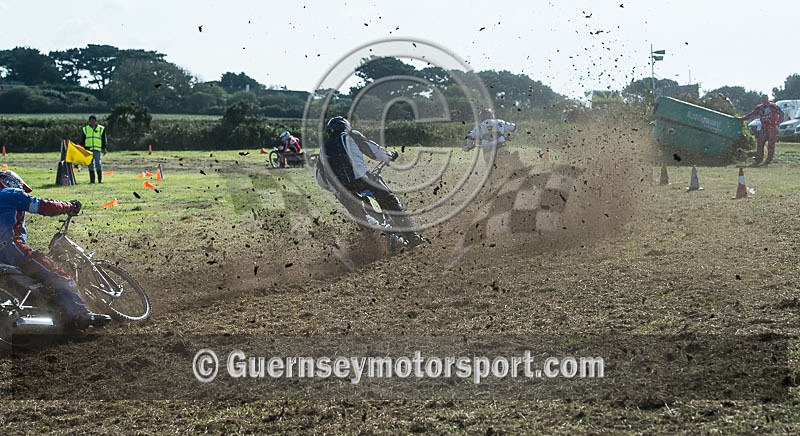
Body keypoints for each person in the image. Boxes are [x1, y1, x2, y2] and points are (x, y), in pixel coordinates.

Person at [0, 170, 111, 331]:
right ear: (10, 182)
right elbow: (44, 206)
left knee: (32, 279)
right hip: (13, 249)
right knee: (59, 275)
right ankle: (81, 315)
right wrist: (70, 206)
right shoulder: (11, 193)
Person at [316, 116, 426, 246]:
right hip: (363, 181)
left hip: (341, 192)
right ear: (345, 126)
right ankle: (412, 237)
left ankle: (373, 246)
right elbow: (376, 152)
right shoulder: (352, 135)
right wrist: (390, 155)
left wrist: (336, 187)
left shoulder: (322, 150)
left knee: (361, 219)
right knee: (391, 202)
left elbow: (321, 180)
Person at [740, 95, 784, 165]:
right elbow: (752, 114)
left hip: (771, 127)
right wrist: (743, 118)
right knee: (760, 142)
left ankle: (769, 159)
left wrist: (778, 122)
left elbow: (781, 113)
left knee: (771, 144)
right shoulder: (759, 107)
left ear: (768, 99)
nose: (764, 100)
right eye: (763, 99)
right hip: (763, 127)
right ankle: (759, 157)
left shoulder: (773, 106)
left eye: (765, 99)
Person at [79, 114, 109, 183]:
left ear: (95, 121)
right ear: (89, 121)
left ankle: (100, 180)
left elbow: (104, 139)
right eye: (91, 121)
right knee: (90, 164)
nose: (92, 122)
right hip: (88, 150)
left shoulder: (101, 129)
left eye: (93, 120)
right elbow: (82, 140)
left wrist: (104, 148)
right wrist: (81, 147)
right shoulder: (85, 129)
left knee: (98, 163)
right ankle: (92, 180)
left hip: (97, 149)